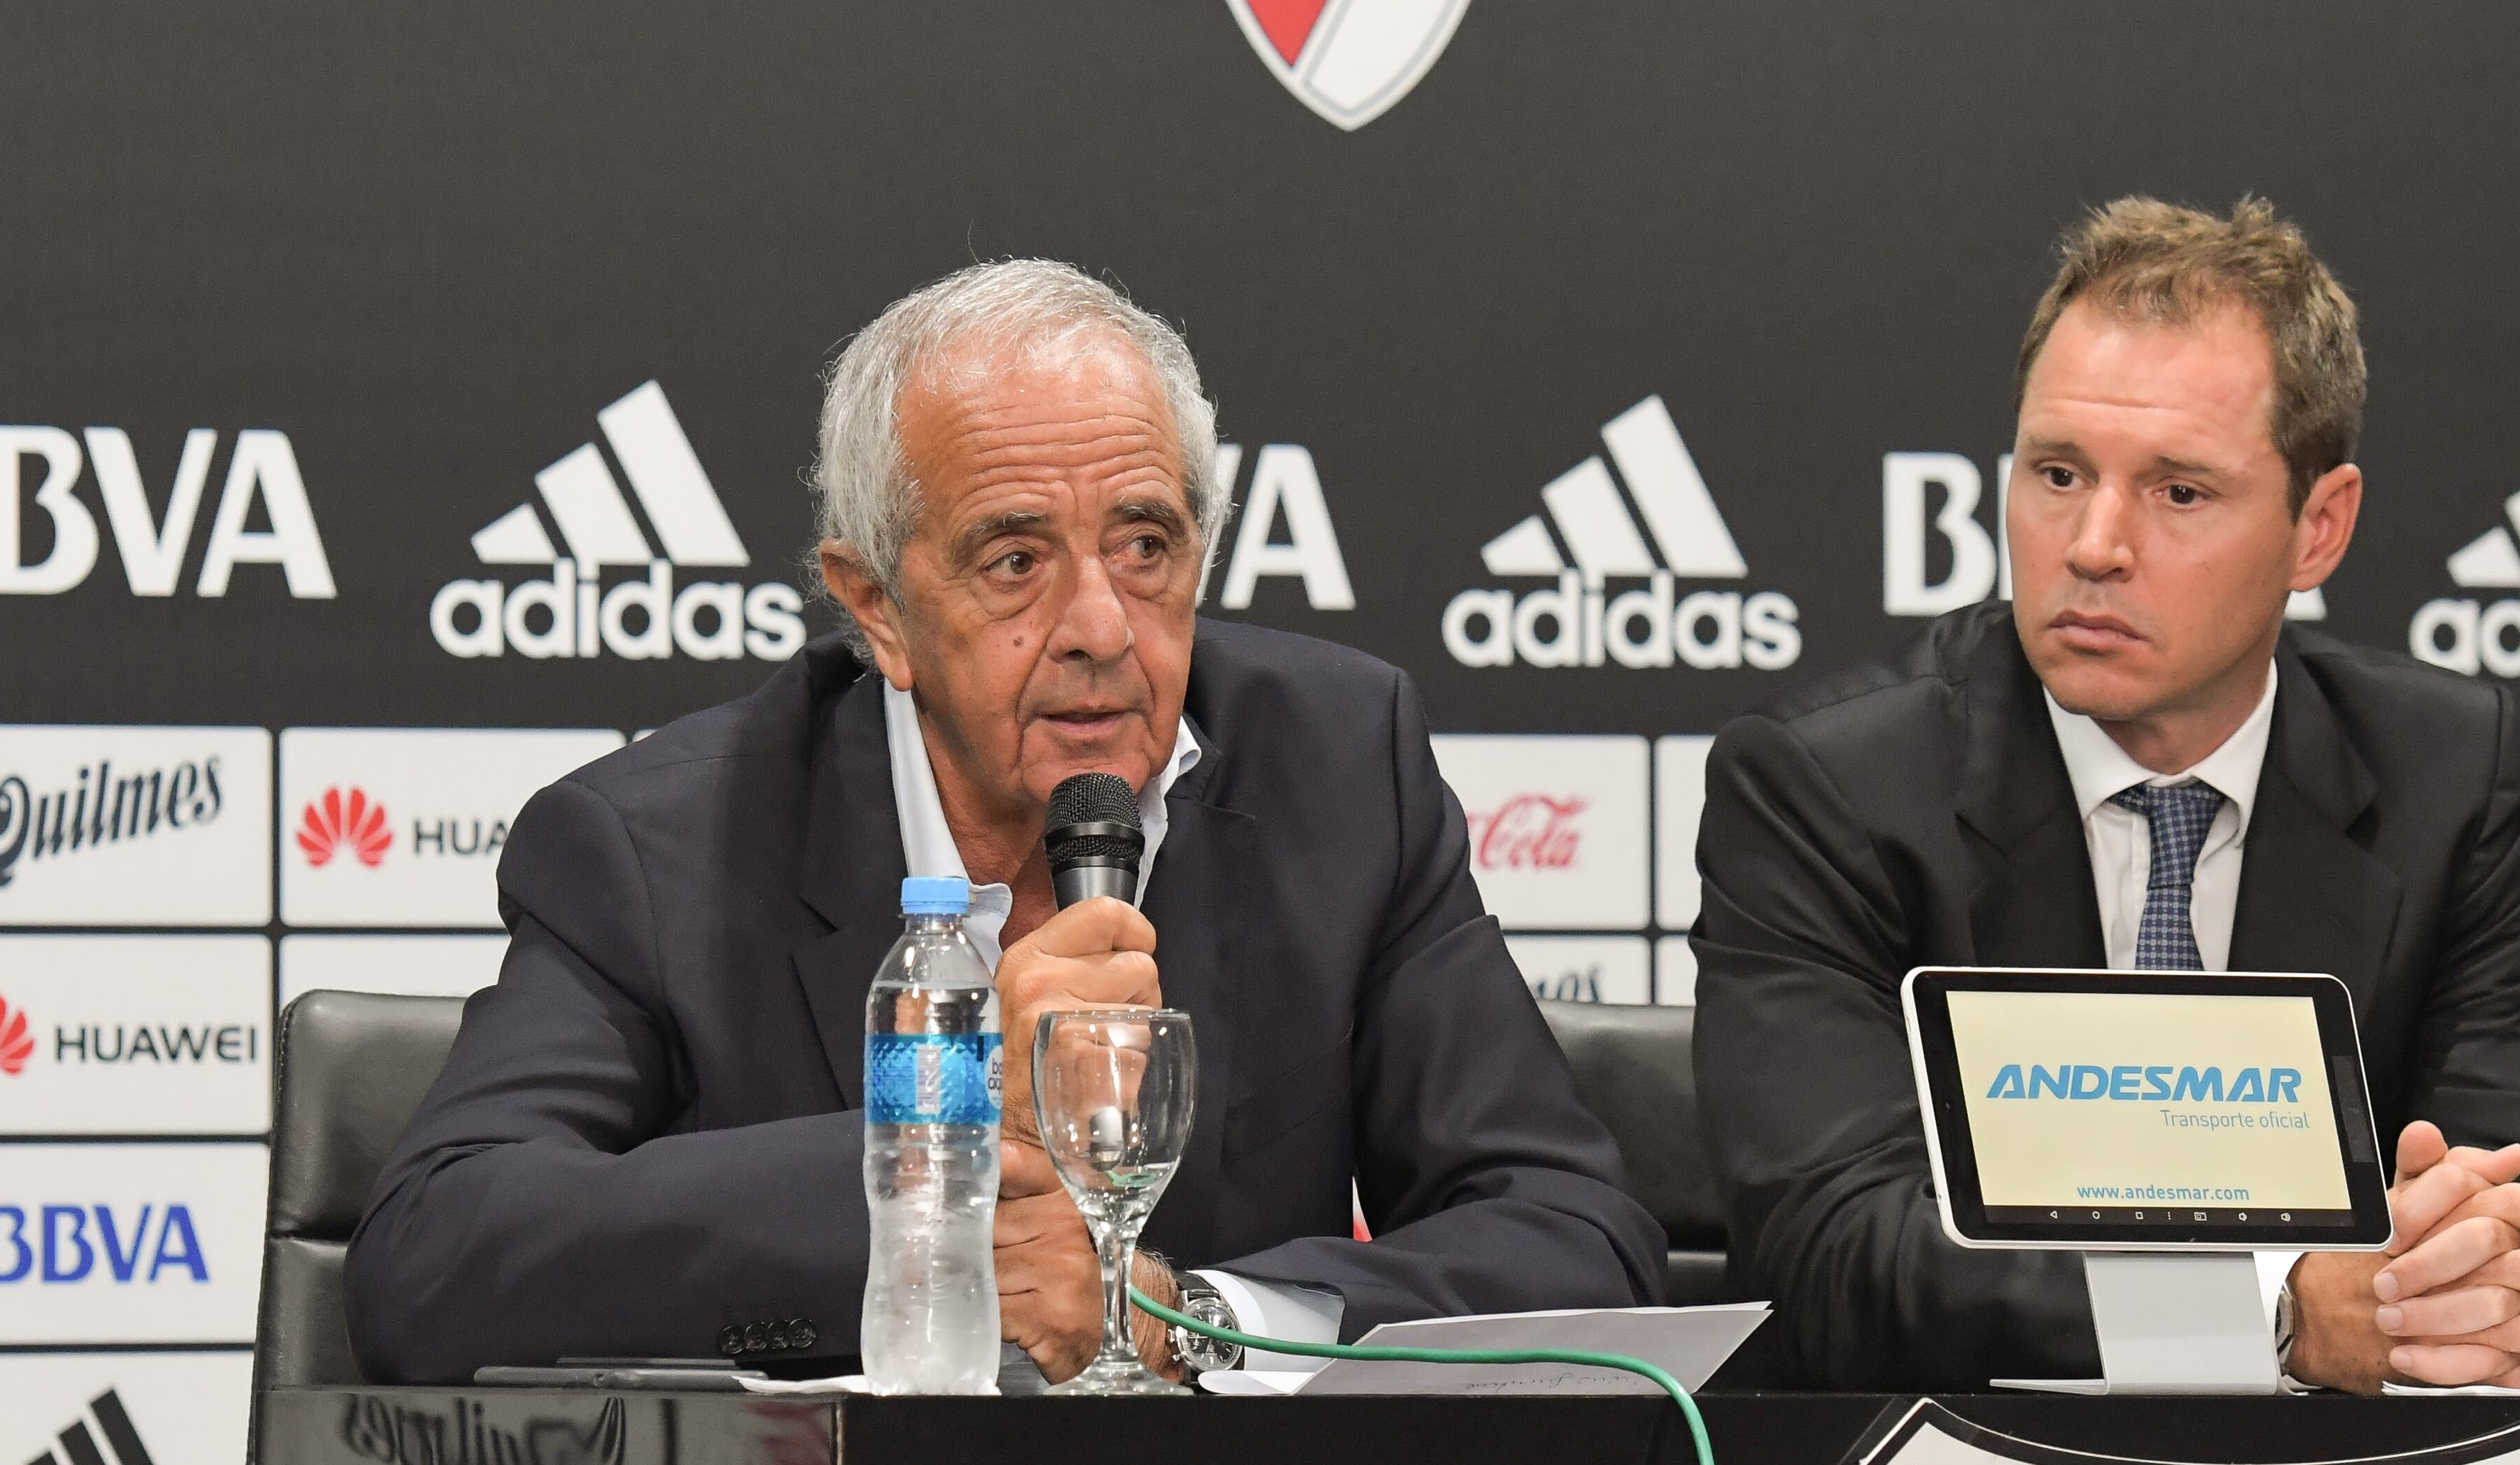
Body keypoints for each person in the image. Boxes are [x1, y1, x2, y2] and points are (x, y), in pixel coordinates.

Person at [350, 260, 1660, 1385]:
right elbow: (434, 1259)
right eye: (1016, 560)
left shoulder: (1338, 768)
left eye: (1145, 545)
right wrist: (934, 1154)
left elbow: (1577, 1239)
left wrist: (1194, 1322)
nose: (1099, 625)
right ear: (876, 609)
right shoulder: (657, 851)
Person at [1694, 197, 2520, 1393]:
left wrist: (2496, 1300)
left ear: (2320, 529)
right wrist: (2284, 1312)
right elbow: (1835, 1258)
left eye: (2178, 492)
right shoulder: (1829, 793)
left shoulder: (2449, 776)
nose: (2093, 542)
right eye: (2057, 472)